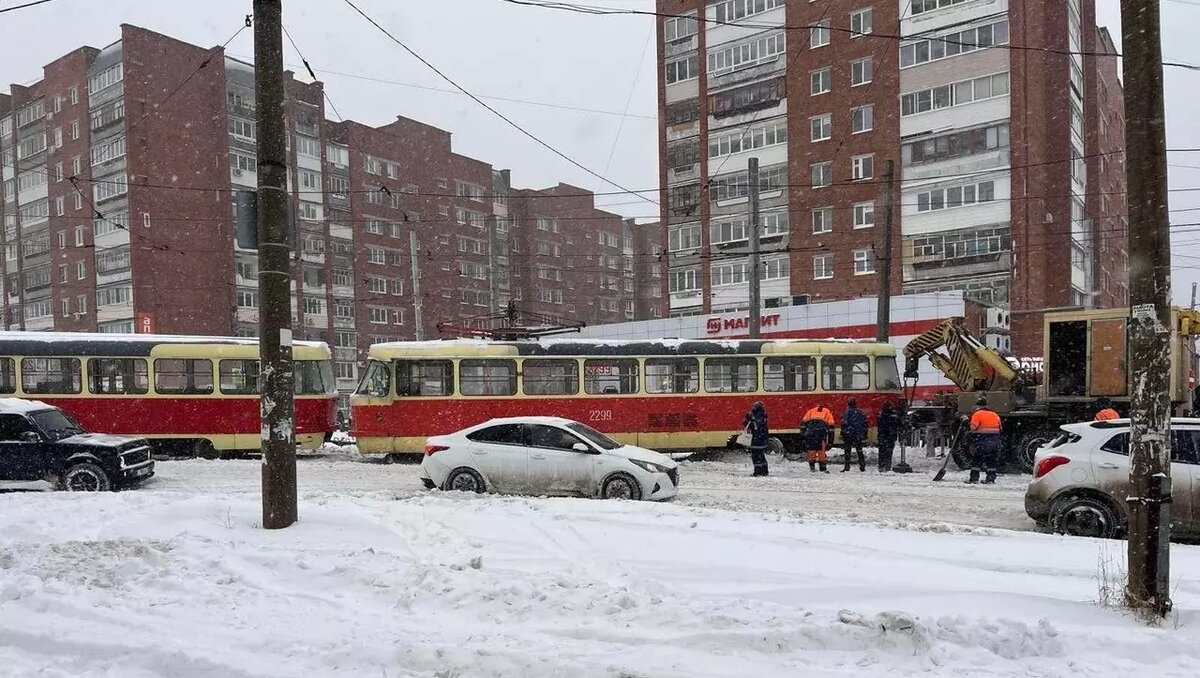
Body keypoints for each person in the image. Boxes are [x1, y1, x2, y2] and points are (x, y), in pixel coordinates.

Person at [968, 396, 1002, 484]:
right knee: (991, 460)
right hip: (994, 441)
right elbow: (1000, 429)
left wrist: (966, 421)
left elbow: (973, 428)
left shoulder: (977, 414)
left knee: (977, 459)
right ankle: (990, 478)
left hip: (982, 440)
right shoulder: (995, 414)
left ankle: (974, 478)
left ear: (978, 406)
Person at [802, 403, 836, 473]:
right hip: (821, 434)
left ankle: (812, 468)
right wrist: (830, 441)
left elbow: (803, 423)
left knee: (812, 450)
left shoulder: (810, 411)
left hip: (810, 433)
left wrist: (804, 435)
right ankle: (822, 468)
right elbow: (831, 427)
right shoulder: (827, 412)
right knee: (821, 451)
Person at [840, 398, 868, 472]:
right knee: (859, 451)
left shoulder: (846, 412)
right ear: (856, 404)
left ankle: (847, 466)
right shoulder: (861, 412)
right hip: (858, 434)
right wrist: (864, 434)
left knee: (847, 451)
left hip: (849, 434)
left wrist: (843, 433)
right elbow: (865, 424)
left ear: (848, 404)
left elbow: (843, 423)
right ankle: (862, 466)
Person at [743, 401, 769, 477]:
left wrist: (749, 419)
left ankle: (757, 472)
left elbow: (750, 426)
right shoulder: (763, 416)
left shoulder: (755, 417)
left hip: (756, 439)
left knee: (756, 456)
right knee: (761, 455)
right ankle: (764, 471)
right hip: (762, 438)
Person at [877, 401, 900, 472]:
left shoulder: (880, 416)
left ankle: (881, 466)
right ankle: (887, 466)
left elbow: (879, 424)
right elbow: (897, 425)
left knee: (881, 451)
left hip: (882, 436)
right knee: (889, 452)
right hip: (891, 436)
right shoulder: (894, 416)